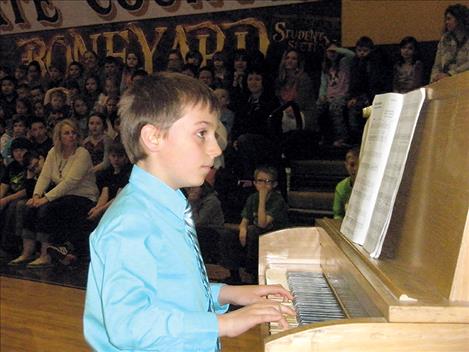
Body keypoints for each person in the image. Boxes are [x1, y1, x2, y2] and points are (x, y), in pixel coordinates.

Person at [84, 73, 294, 352]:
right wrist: (222, 324)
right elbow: (127, 325)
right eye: (201, 133)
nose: (216, 147)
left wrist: (230, 293)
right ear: (153, 137)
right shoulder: (130, 223)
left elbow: (173, 292)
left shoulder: (166, 206)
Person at [10, 119, 98, 267]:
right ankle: (27, 252)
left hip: (83, 197)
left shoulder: (82, 154)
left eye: (74, 133)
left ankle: (46, 255)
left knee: (47, 208)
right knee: (30, 207)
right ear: (59, 136)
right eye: (67, 133)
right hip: (63, 195)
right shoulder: (53, 152)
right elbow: (44, 176)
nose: (71, 136)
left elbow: (70, 183)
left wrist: (46, 199)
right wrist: (36, 196)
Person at [220, 165, 289, 284]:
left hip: (274, 235)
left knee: (254, 231)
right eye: (260, 181)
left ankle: (252, 273)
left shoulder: (277, 200)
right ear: (255, 183)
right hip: (255, 232)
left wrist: (262, 199)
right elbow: (244, 221)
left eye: (267, 181)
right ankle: (234, 274)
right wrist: (242, 230)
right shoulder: (252, 198)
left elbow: (262, 224)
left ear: (274, 184)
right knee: (228, 234)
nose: (263, 185)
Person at [87, 142, 131, 222]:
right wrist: (97, 208)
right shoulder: (108, 172)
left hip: (120, 205)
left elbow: (118, 198)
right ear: (109, 157)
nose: (116, 159)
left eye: (120, 156)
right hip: (108, 204)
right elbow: (104, 194)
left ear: (126, 158)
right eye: (113, 156)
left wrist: (100, 211)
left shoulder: (127, 174)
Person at [186, 180, 224, 264]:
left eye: (194, 188)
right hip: (200, 229)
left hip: (213, 231)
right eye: (189, 188)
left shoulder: (212, 201)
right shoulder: (194, 199)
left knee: (196, 233)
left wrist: (191, 203)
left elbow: (198, 221)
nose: (191, 191)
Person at [431, 3, 469, 82]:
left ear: (459, 19)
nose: (446, 22)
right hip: (444, 81)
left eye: (449, 19)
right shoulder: (445, 39)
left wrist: (450, 74)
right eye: (446, 19)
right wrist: (433, 80)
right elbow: (437, 65)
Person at [332, 147, 359, 219]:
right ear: (346, 165)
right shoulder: (341, 187)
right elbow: (338, 214)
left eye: (359, 165)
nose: (356, 169)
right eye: (352, 165)